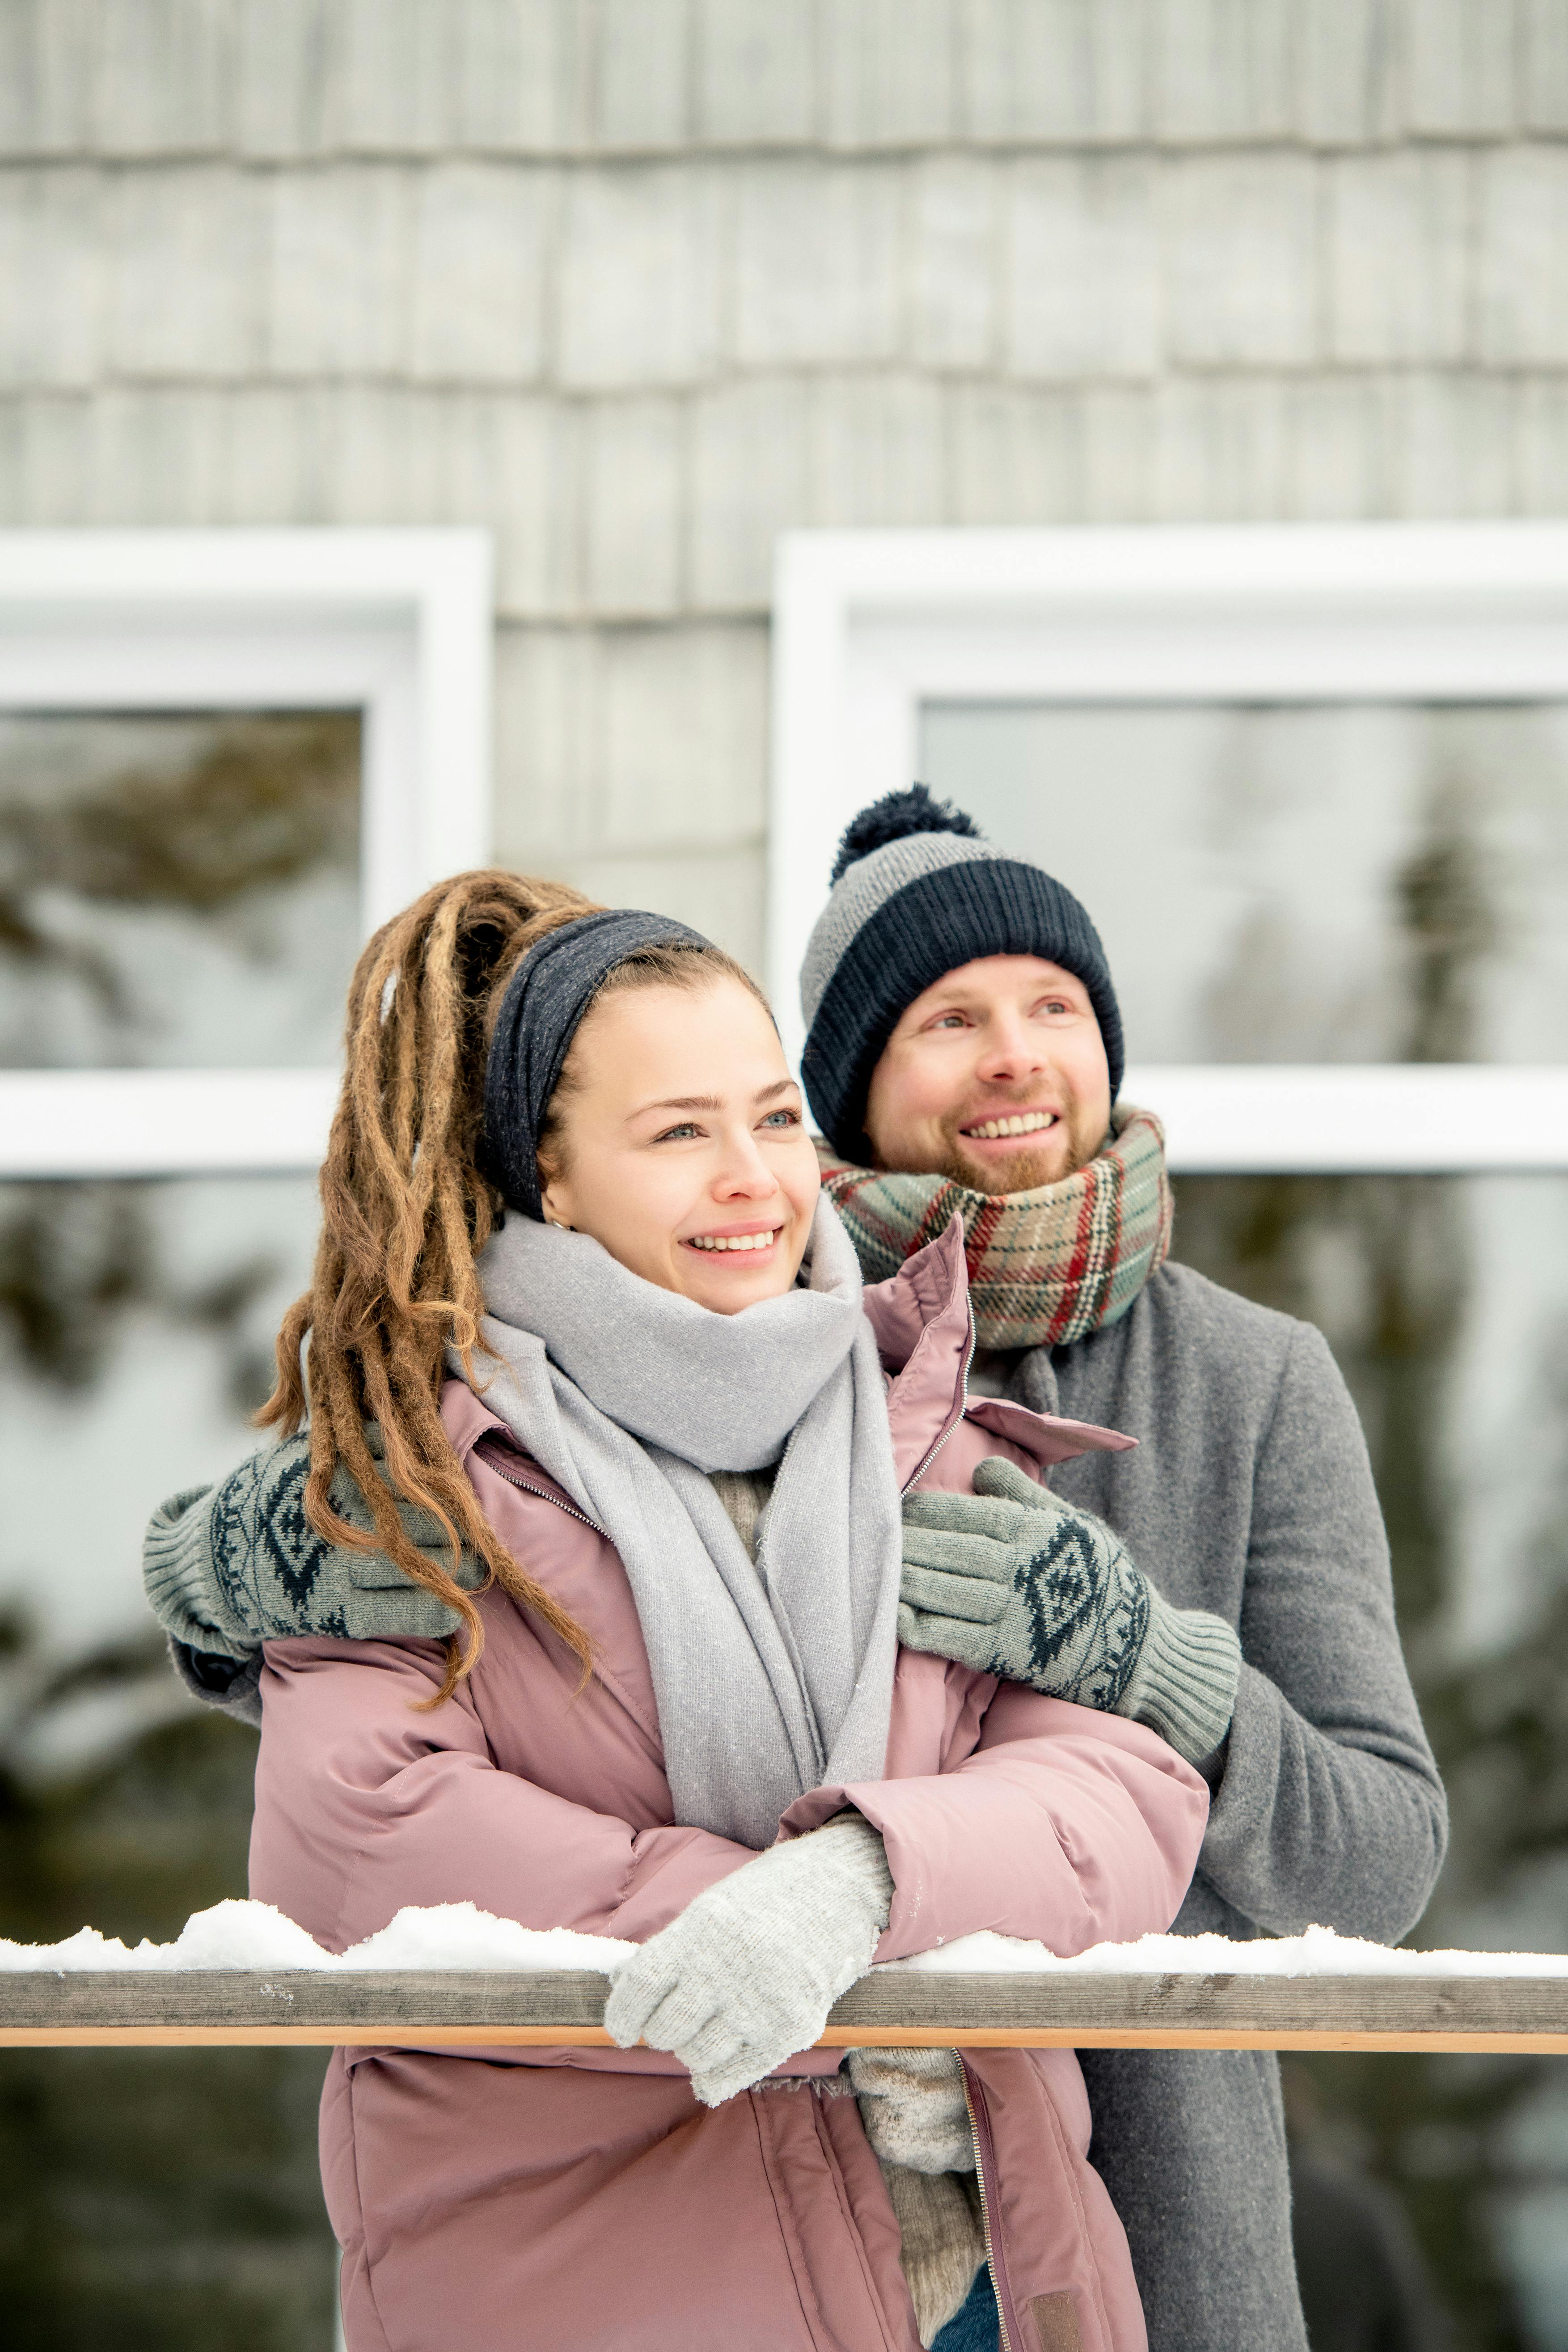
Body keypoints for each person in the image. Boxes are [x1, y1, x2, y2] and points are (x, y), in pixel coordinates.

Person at [145, 870, 1209, 2351]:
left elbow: (1123, 1788)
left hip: (969, 2289)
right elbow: (357, 1841)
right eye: (679, 1132)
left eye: (773, 1118)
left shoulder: (925, 1434)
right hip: (592, 2292)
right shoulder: (424, 1478)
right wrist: (748, 1928)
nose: (753, 1180)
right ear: (548, 1174)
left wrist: (852, 1888)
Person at [796, 788, 1450, 2352]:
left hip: (1146, 2235)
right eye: (948, 1018)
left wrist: (1145, 1662)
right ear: (851, 1090)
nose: (1015, 1051)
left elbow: (1382, 1853)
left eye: (1053, 1005)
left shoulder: (1250, 1378)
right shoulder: (757, 1361)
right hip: (787, 2206)